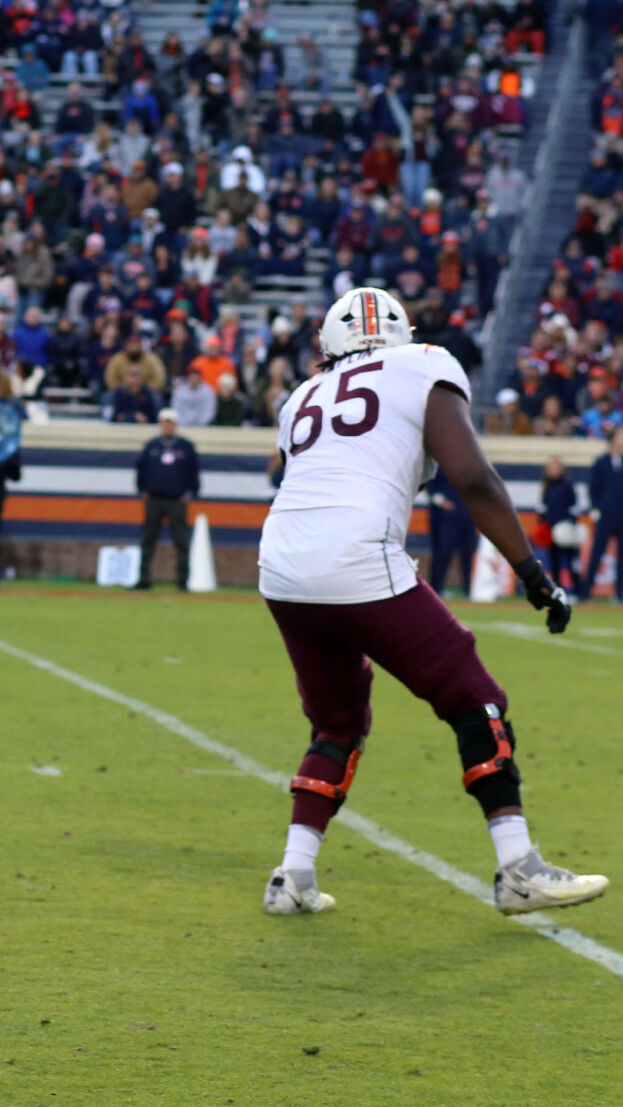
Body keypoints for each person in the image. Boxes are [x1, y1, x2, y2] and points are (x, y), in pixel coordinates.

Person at [257, 287, 602, 917]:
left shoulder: (300, 397)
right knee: (476, 702)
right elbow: (472, 477)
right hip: (355, 554)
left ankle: (293, 875)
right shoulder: (423, 362)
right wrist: (533, 575)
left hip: (280, 562)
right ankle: (519, 866)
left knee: (335, 722)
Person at [132, 409, 200, 589]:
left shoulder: (185, 446)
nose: (167, 426)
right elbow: (141, 468)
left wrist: (190, 491)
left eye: (170, 423)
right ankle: (144, 579)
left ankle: (183, 581)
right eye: (164, 423)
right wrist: (142, 490)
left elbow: (193, 471)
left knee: (181, 541)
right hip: (154, 498)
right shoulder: (152, 445)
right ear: (160, 424)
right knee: (148, 539)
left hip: (177, 499)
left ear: (175, 425)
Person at [585, 428, 623, 603]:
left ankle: (620, 593)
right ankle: (585, 592)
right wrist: (596, 508)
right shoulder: (602, 462)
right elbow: (593, 487)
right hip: (606, 515)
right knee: (596, 553)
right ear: (613, 439)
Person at [425, 469, 477, 597]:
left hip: (467, 512)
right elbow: (429, 481)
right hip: (445, 514)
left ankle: (468, 590)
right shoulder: (440, 458)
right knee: (443, 552)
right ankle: (436, 589)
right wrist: (440, 500)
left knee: (468, 553)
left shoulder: (471, 460)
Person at [540, 456, 581, 592]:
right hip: (552, 530)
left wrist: (571, 524)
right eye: (550, 468)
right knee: (554, 563)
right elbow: (543, 507)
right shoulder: (546, 486)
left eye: (556, 467)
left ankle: (577, 591)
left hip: (566, 529)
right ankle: (557, 590)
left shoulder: (567, 485)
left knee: (571, 562)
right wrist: (543, 525)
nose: (553, 471)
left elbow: (574, 506)